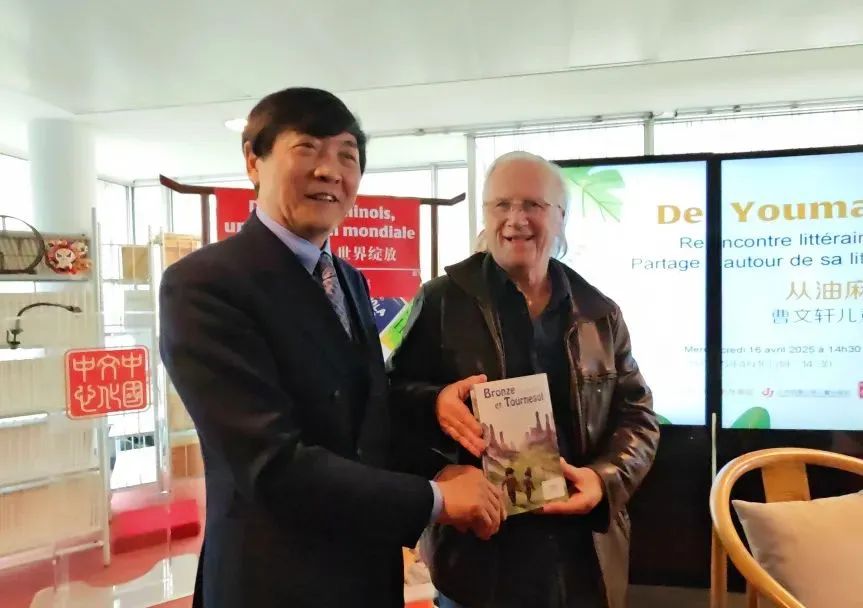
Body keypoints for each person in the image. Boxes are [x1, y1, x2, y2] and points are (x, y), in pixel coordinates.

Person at [159, 87, 503, 608]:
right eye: (307, 148)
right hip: (274, 582)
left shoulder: (348, 279)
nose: (330, 171)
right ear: (253, 161)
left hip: (365, 572)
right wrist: (435, 498)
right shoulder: (205, 285)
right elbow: (271, 462)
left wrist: (433, 405)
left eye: (347, 155)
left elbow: (363, 409)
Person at [388, 151, 660, 608]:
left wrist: (603, 480)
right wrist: (436, 409)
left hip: (580, 560)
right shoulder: (440, 302)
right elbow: (390, 402)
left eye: (533, 205)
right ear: (485, 214)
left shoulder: (598, 313)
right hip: (477, 559)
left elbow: (638, 417)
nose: (516, 219)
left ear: (561, 217)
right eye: (502, 204)